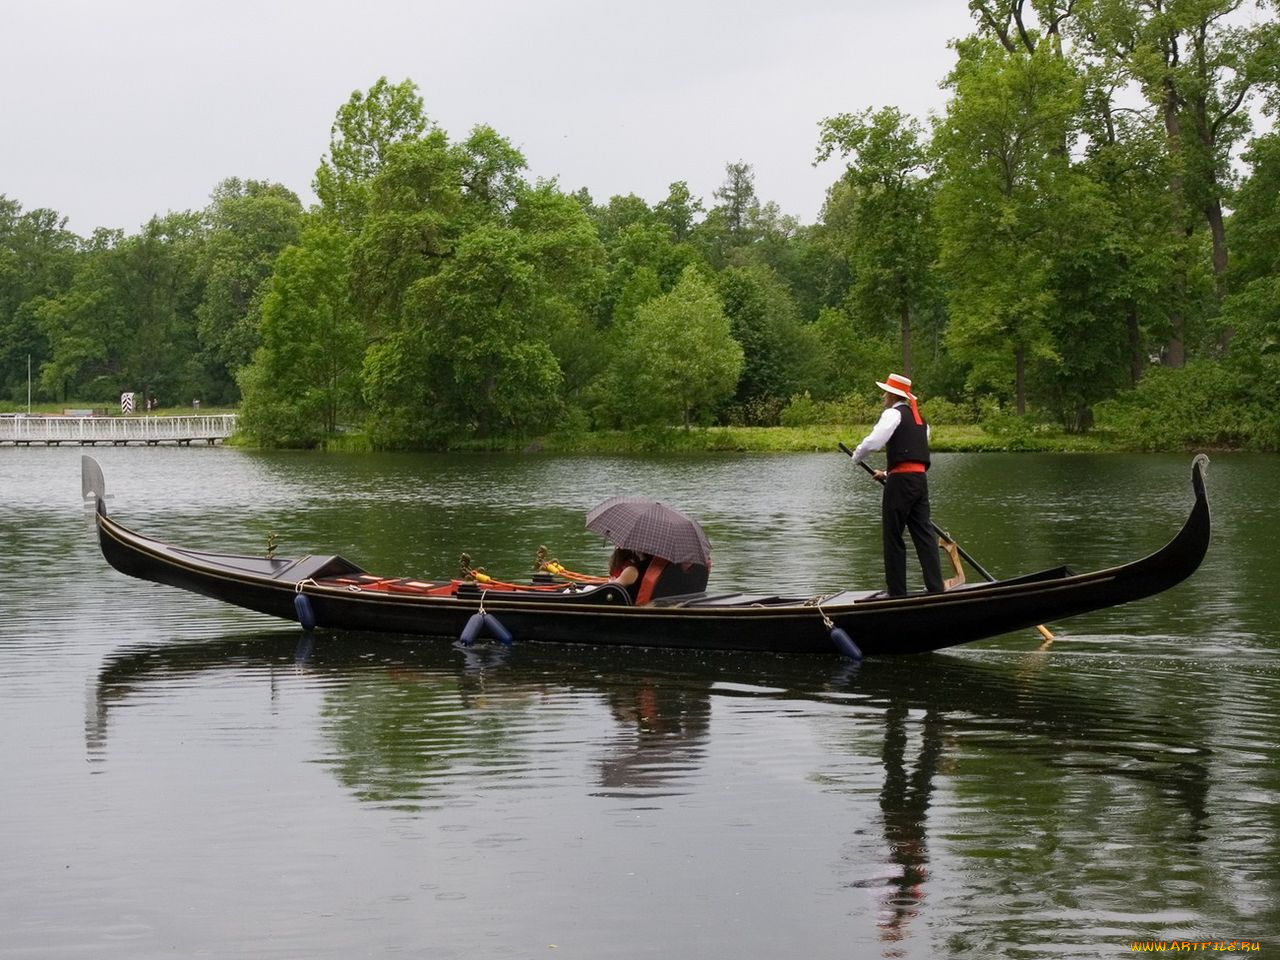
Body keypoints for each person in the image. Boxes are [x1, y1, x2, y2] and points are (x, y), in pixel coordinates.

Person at [848, 373, 945, 597]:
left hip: (901, 484)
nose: (883, 395)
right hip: (919, 482)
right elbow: (913, 453)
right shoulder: (921, 420)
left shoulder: (892, 414)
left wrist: (857, 457)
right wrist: (888, 473)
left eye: (885, 392)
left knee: (892, 536)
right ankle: (936, 587)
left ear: (893, 394)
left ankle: (897, 593)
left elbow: (874, 442)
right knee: (924, 534)